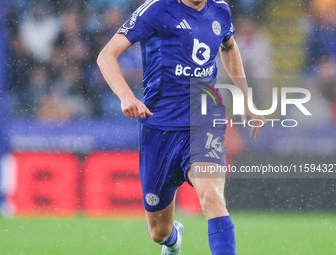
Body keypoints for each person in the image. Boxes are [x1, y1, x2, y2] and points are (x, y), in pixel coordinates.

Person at [97, 0, 266, 254]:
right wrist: (126, 96)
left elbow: (228, 47)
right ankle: (173, 241)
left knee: (211, 197)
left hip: (204, 122)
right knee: (158, 231)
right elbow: (106, 55)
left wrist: (244, 98)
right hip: (160, 128)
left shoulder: (220, 10)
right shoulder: (156, 9)